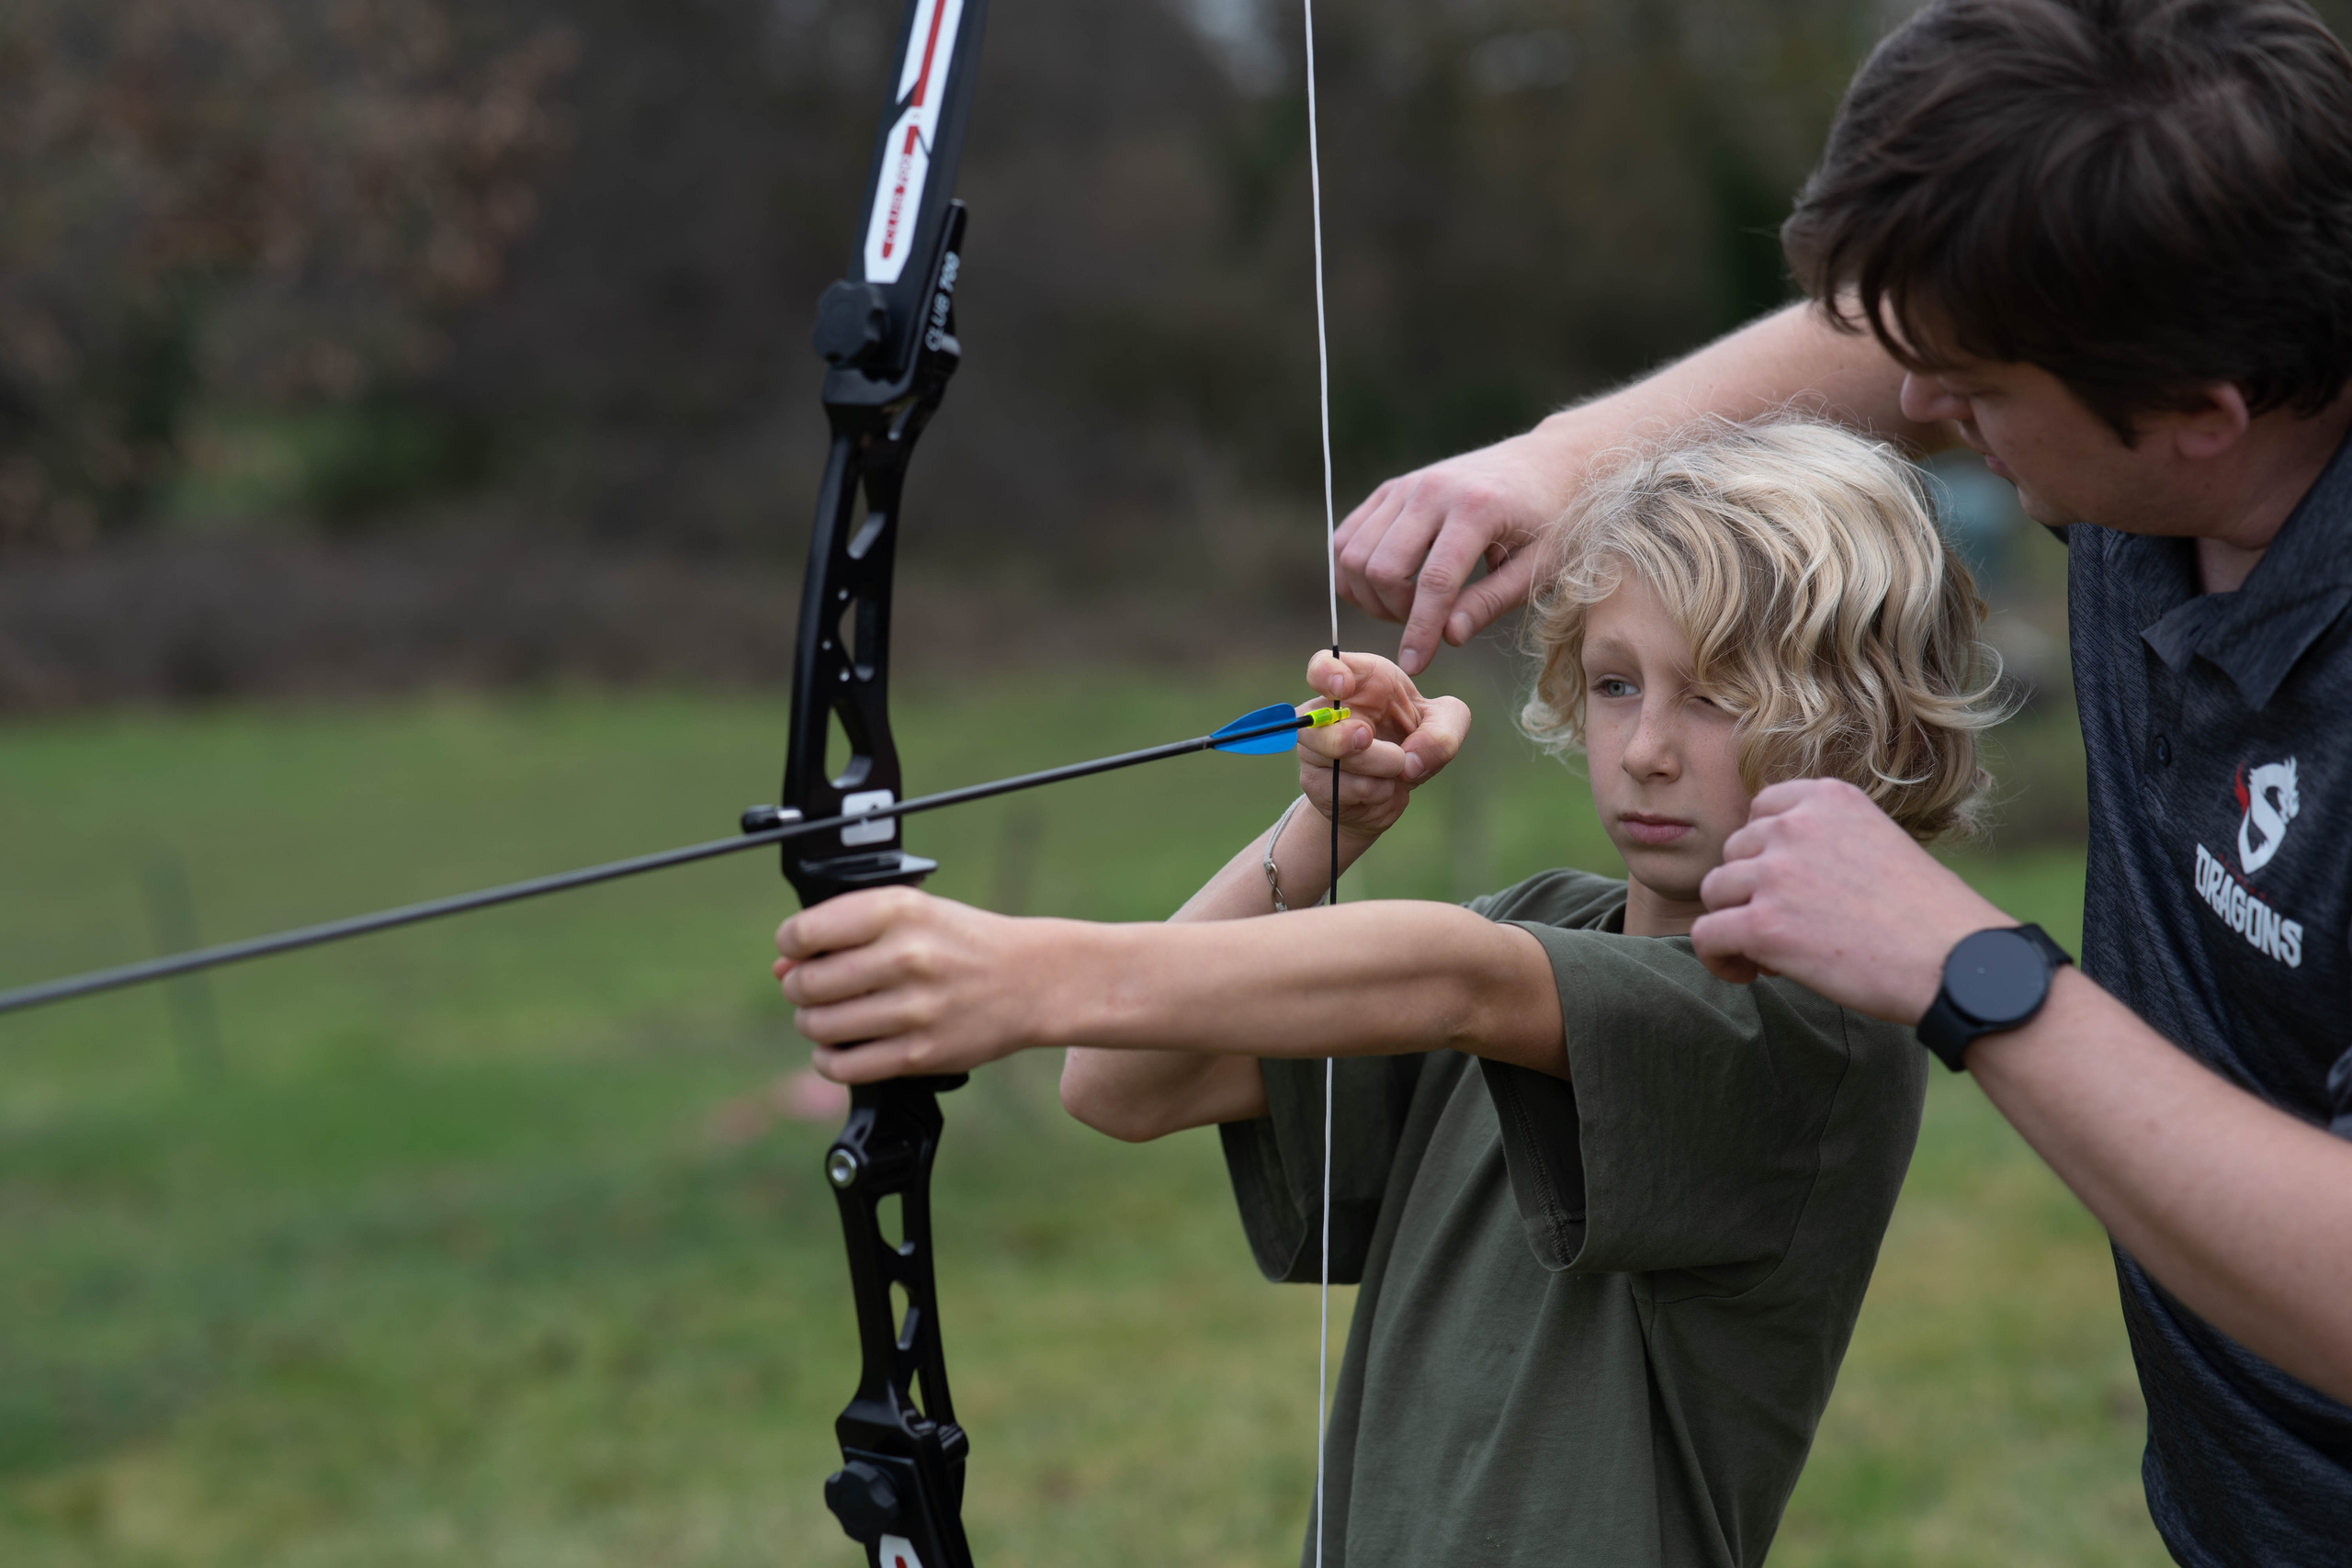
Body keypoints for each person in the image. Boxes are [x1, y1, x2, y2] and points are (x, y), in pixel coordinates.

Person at [1322, 2, 2352, 1562]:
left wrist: (1975, 974)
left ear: (2202, 419)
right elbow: (1919, 327)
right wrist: (1566, 459)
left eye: (1980, 389)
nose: (1924, 411)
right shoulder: (2181, 376)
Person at [775, 420, 2004, 1567]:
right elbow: (1122, 1082)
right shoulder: (1544, 928)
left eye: (1720, 694)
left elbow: (1455, 982)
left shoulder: (1822, 1023)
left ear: (1866, 722)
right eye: (1619, 684)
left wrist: (1020, 970)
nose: (1646, 749)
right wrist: (1323, 830)